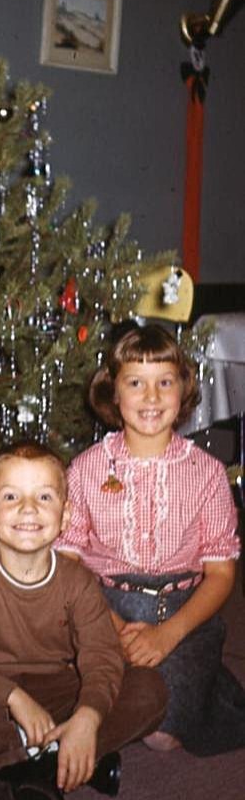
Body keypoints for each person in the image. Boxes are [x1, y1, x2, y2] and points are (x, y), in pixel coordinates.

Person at [0, 441, 168, 800]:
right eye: (11, 496)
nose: (28, 508)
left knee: (150, 689)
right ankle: (56, 763)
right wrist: (13, 697)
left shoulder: (78, 582)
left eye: (44, 496)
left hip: (61, 692)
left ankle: (31, 765)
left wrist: (88, 715)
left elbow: (102, 657)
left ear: (65, 515)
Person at [55, 323, 244, 756]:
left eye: (165, 382)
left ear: (184, 389)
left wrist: (166, 636)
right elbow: (67, 564)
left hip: (181, 611)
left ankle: (204, 681)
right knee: (69, 681)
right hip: (101, 604)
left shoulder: (207, 473)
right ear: (113, 392)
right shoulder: (85, 469)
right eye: (136, 383)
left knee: (161, 736)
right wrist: (114, 627)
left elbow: (220, 575)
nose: (152, 397)